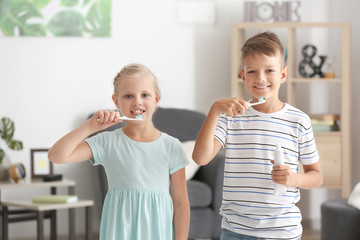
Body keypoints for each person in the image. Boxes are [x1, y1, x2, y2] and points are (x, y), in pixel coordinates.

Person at [192, 31, 323, 240]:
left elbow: (316, 176)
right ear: (243, 76)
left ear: (283, 74)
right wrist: (215, 110)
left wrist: (294, 178)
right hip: (236, 231)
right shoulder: (230, 117)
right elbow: (200, 158)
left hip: (283, 231)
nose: (261, 78)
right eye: (252, 71)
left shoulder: (299, 121)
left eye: (270, 70)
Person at [48, 63, 190, 240]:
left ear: (156, 99)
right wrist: (89, 127)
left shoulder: (171, 146)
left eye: (145, 95)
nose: (137, 101)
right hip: (119, 231)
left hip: (158, 232)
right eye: (128, 95)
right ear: (116, 101)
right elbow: (57, 156)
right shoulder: (107, 141)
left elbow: (181, 202)